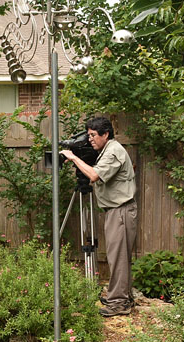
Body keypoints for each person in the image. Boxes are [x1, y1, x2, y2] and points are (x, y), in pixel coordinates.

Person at [60, 116, 137, 317]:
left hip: (120, 211)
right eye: (88, 135)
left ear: (106, 134)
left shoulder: (113, 151)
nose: (90, 139)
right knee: (118, 257)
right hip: (116, 211)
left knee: (117, 258)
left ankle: (118, 303)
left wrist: (73, 157)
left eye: (94, 135)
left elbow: (94, 176)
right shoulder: (105, 150)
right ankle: (122, 297)